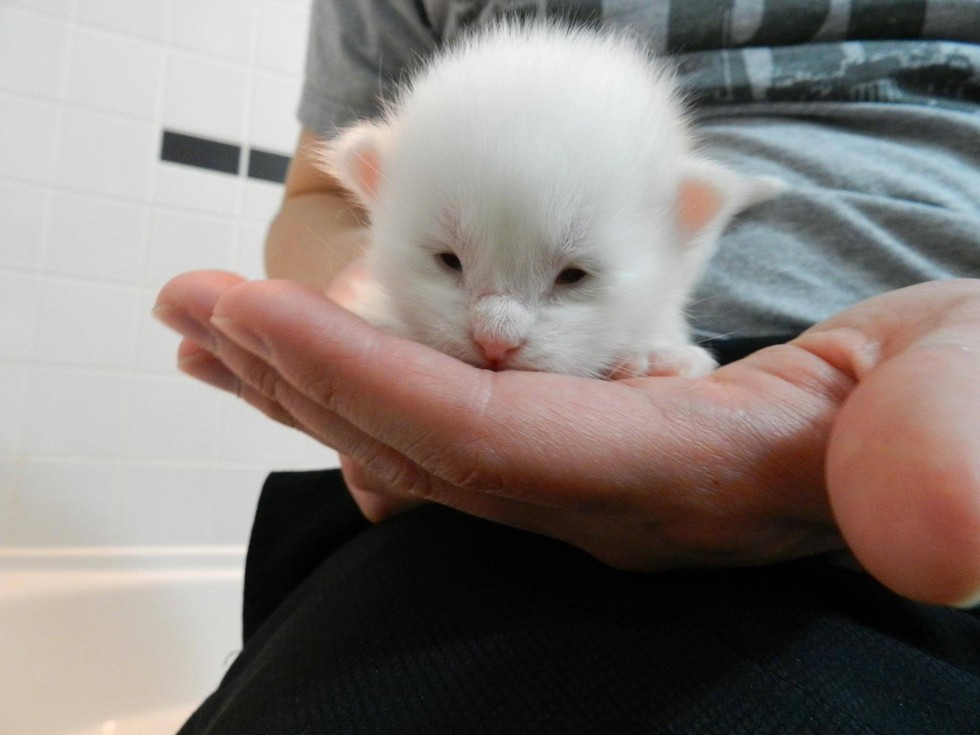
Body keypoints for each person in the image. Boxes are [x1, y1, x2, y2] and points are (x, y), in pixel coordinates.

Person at [157, 1, 980, 732]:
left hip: (876, 373)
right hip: (442, 502)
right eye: (445, 260)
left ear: (684, 226)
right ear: (381, 186)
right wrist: (353, 311)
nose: (496, 331)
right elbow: (318, 200)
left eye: (572, 276)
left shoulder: (659, 236)